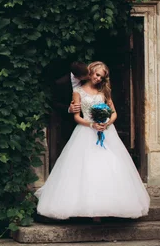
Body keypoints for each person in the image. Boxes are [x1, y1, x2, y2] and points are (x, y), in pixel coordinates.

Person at [36, 61, 150, 221]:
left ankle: (107, 206)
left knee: (109, 165)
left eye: (101, 77)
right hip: (86, 131)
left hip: (106, 132)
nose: (97, 79)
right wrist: (91, 124)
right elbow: (77, 117)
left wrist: (107, 123)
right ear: (90, 72)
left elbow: (114, 112)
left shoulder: (104, 92)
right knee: (85, 166)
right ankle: (88, 209)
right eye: (96, 75)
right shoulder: (77, 91)